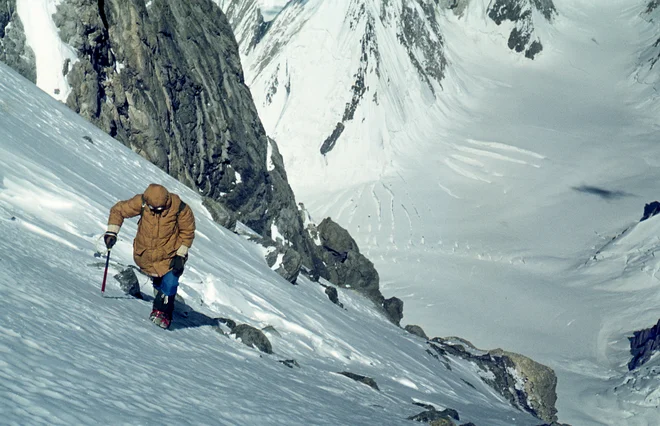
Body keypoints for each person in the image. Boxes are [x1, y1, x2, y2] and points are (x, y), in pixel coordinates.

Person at [103, 183, 195, 329]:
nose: (155, 211)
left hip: (171, 255)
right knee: (159, 283)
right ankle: (163, 300)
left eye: (159, 209)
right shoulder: (143, 203)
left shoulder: (180, 209)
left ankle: (162, 313)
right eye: (152, 208)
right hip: (147, 255)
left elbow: (187, 232)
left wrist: (181, 255)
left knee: (170, 283)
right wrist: (112, 232)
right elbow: (118, 210)